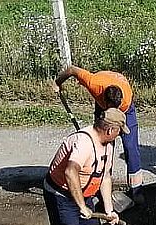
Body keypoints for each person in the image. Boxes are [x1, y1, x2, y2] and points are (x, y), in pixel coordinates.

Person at [53, 66, 144, 204]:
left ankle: (136, 190)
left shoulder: (125, 101)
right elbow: (71, 70)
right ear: (105, 101)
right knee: (103, 146)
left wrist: (117, 118)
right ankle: (101, 190)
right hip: (102, 104)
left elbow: (119, 118)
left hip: (127, 110)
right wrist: (57, 83)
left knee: (131, 147)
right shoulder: (93, 83)